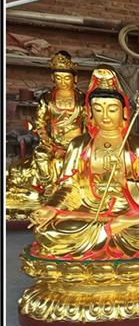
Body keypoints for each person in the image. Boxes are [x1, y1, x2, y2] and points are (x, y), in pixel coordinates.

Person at [28, 67, 139, 260]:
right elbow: (68, 187)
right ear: (89, 113)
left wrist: (125, 182)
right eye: (98, 109)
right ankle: (109, 230)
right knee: (46, 233)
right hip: (87, 212)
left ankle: (111, 230)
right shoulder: (79, 145)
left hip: (128, 213)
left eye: (112, 109)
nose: (105, 116)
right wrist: (50, 209)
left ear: (124, 112)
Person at [6, 51, 87, 211]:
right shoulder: (48, 98)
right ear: (52, 78)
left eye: (67, 78)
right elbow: (40, 122)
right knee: (40, 154)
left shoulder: (81, 99)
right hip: (54, 142)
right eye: (58, 78)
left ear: (75, 79)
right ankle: (48, 188)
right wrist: (44, 136)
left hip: (77, 144)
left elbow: (89, 122)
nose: (63, 82)